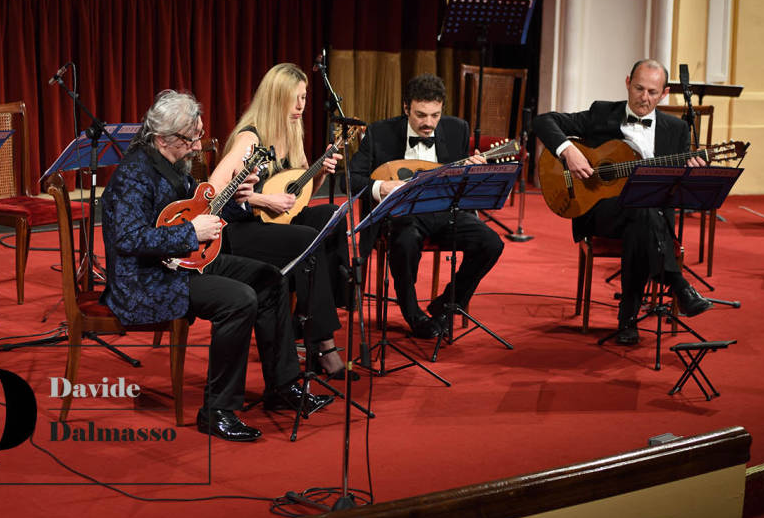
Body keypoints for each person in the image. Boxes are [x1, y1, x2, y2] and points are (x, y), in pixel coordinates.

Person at [100, 89, 331, 442]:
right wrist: (190, 233)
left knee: (269, 279)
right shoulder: (133, 174)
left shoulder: (173, 164)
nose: (197, 146)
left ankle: (282, 386)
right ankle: (217, 411)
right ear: (162, 138)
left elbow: (202, 210)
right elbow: (128, 240)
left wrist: (239, 203)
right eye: (190, 139)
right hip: (145, 280)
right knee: (238, 299)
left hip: (181, 263)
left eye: (198, 136)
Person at [533, 58, 713, 345]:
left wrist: (689, 172)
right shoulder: (602, 113)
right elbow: (542, 120)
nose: (644, 97)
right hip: (599, 211)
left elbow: (677, 191)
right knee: (640, 211)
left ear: (665, 93)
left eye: (652, 92)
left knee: (641, 212)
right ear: (628, 83)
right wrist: (568, 151)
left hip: (646, 218)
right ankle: (676, 283)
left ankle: (628, 318)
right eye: (639, 88)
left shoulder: (676, 130)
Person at [209, 63, 356, 380]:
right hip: (242, 230)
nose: (302, 106)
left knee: (331, 216)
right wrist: (263, 199)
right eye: (295, 98)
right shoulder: (250, 139)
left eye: (305, 97)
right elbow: (213, 191)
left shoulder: (293, 132)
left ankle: (313, 315)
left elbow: (298, 195)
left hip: (280, 222)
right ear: (276, 98)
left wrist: (320, 173)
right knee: (306, 238)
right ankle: (323, 343)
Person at [348, 73, 505, 339]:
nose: (429, 123)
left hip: (444, 212)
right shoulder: (379, 132)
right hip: (401, 215)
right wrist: (381, 187)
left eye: (435, 115)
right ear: (406, 107)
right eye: (421, 115)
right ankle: (413, 314)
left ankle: (446, 304)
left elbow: (460, 181)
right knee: (405, 241)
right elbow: (351, 178)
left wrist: (472, 171)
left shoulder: (457, 129)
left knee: (491, 242)